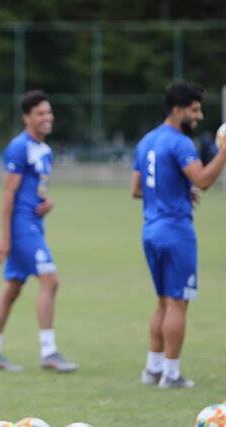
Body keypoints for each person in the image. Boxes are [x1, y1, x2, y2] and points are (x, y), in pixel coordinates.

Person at [132, 82, 226, 388]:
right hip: (175, 231)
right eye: (194, 109)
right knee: (177, 303)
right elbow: (204, 180)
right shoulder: (180, 142)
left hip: (151, 230)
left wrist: (180, 190)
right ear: (177, 109)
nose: (198, 116)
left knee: (162, 303)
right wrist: (224, 151)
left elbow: (137, 189)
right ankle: (171, 375)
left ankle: (153, 369)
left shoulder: (147, 140)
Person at [0, 90, 78, 373]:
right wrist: (6, 238)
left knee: (12, 287)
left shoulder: (45, 150)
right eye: (40, 113)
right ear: (27, 117)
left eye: (48, 113)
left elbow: (33, 189)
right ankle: (48, 352)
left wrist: (45, 203)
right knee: (51, 280)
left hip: (34, 224)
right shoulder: (19, 147)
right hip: (21, 228)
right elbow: (8, 195)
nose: (47, 118)